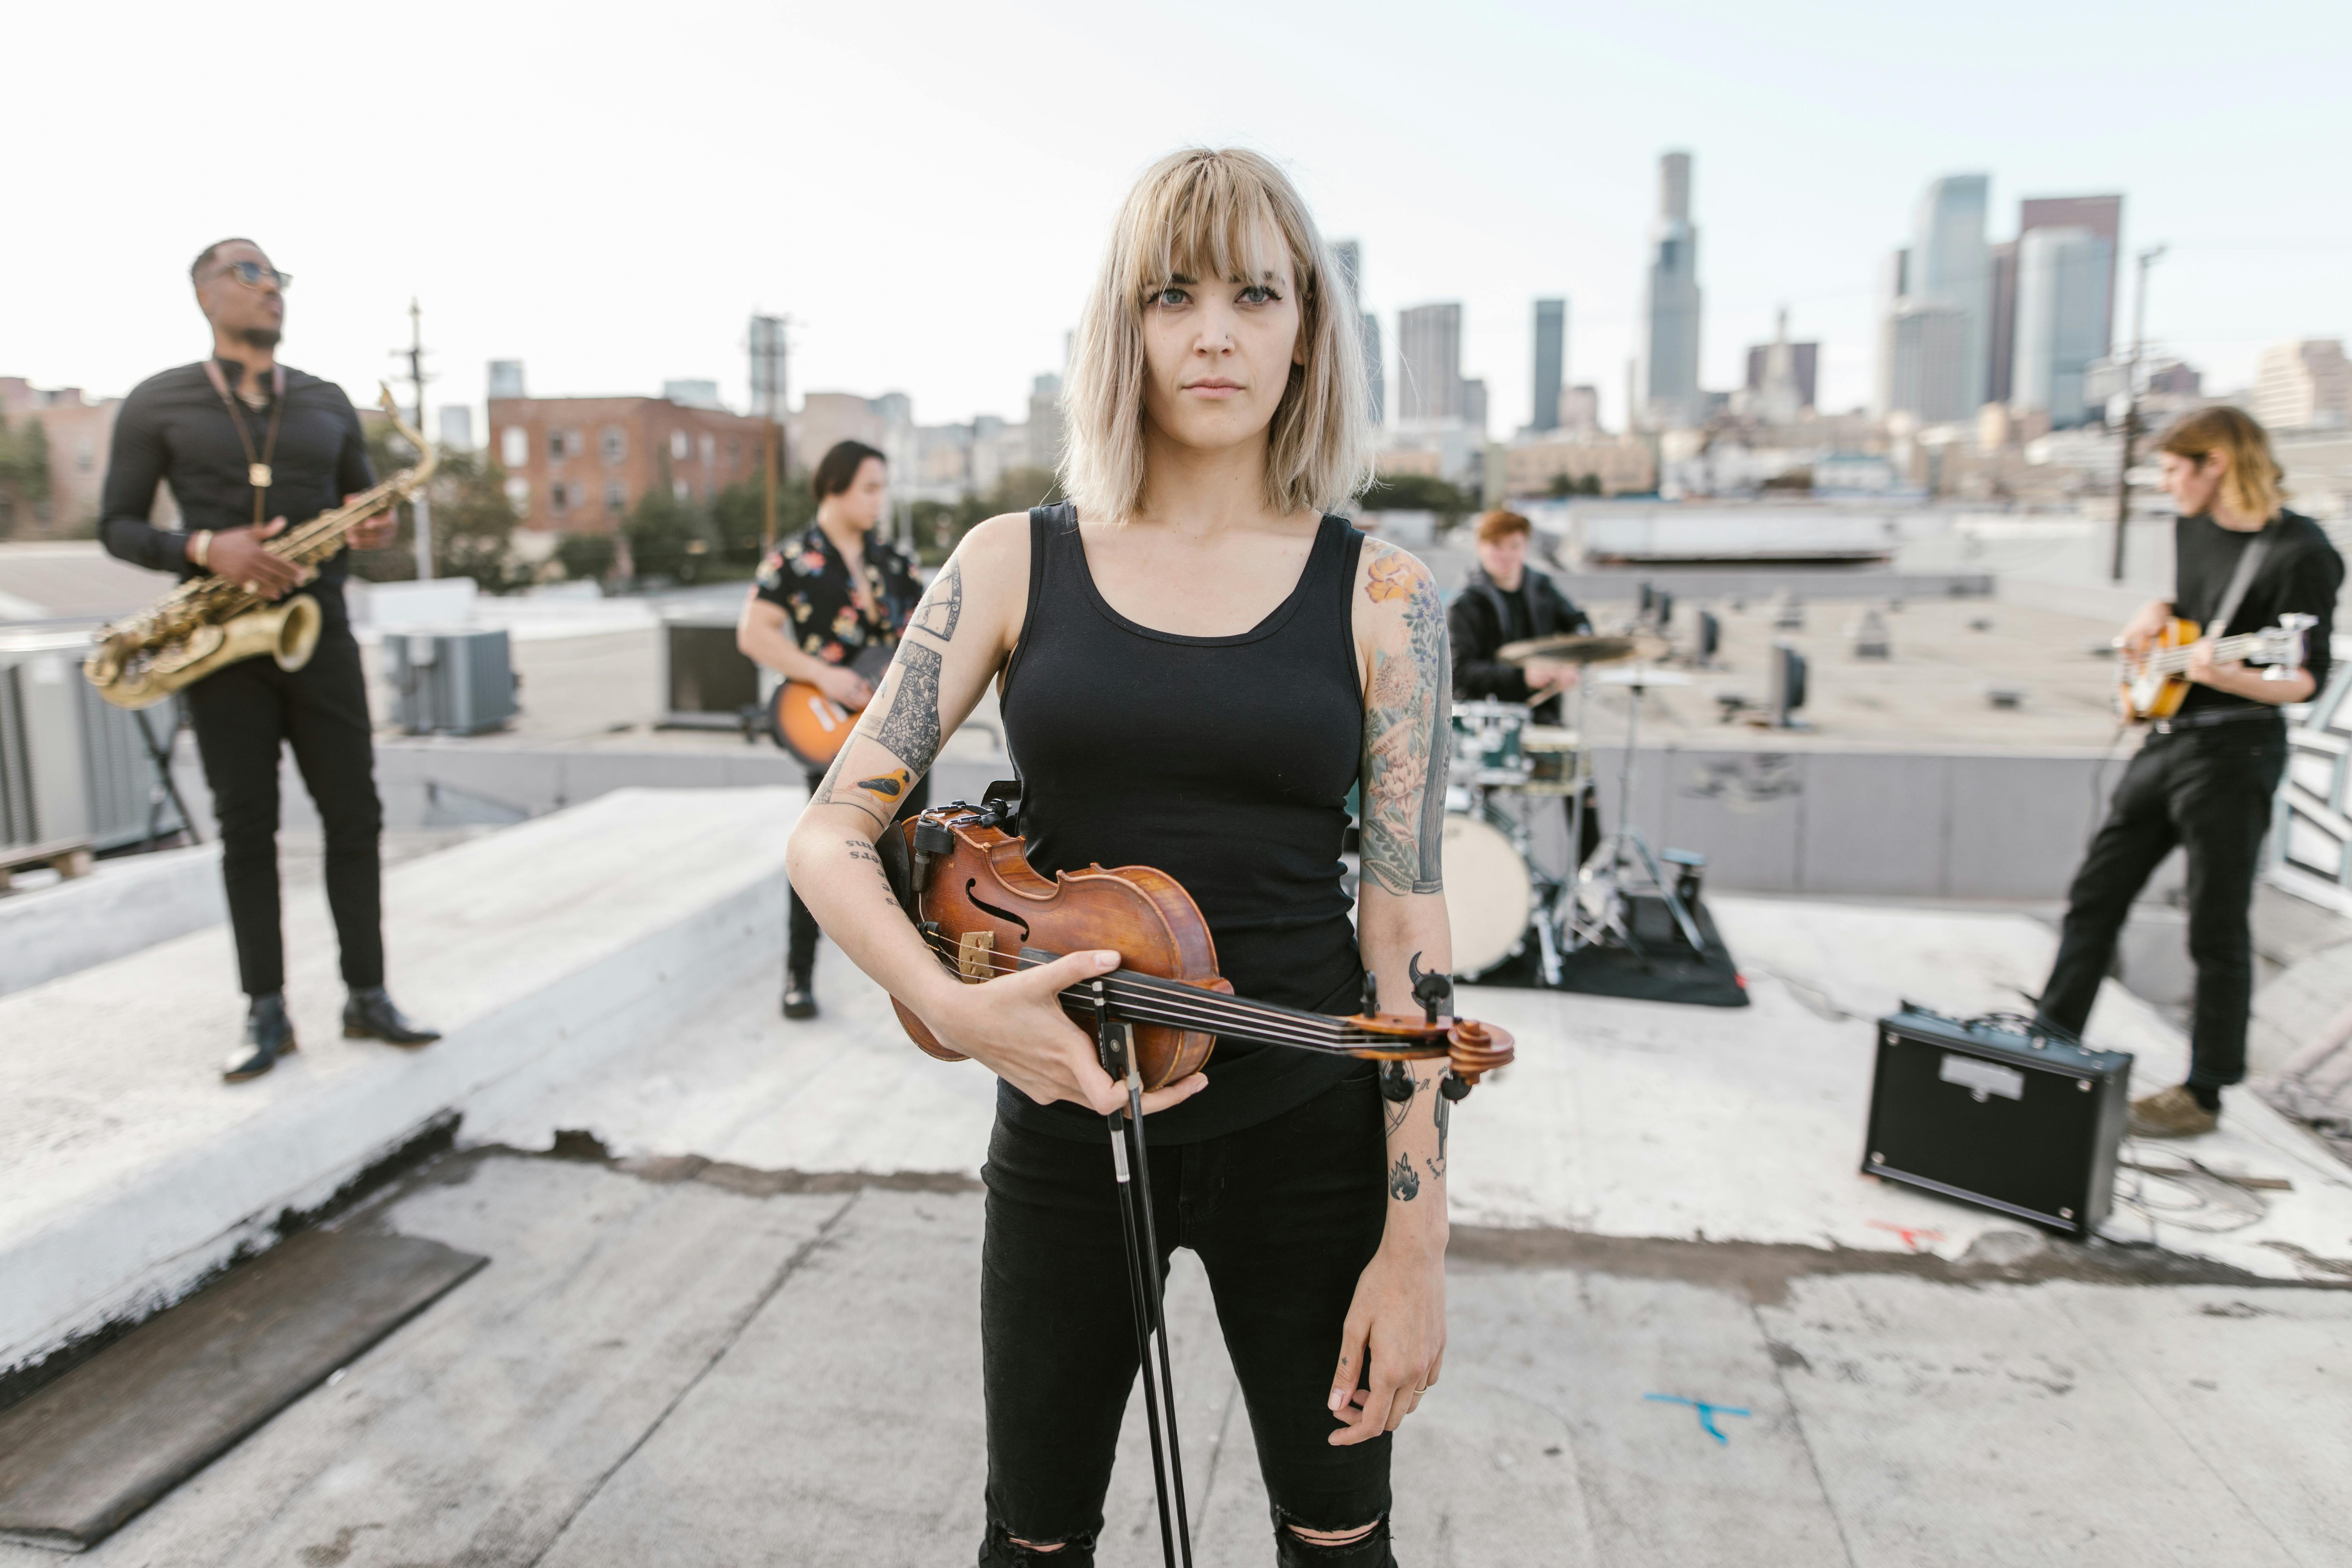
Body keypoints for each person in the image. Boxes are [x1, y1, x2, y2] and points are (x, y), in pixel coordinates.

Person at [785, 148, 1452, 1566]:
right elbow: (830, 832)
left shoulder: (1386, 594)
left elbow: (1403, 925)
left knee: (1341, 1540)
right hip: (1066, 1122)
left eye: (1255, 293)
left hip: (1312, 1138)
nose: (1214, 330)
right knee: (1033, 1543)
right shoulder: (1011, 562)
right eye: (1173, 293)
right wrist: (963, 1013)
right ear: (1123, 328)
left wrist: (1417, 1247)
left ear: (1305, 328)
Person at [99, 238, 439, 1083]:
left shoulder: (325, 401)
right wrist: (208, 546)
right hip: (219, 641)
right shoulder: (157, 402)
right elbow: (117, 524)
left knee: (353, 815)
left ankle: (368, 994)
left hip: (317, 630)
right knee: (247, 828)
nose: (272, 288)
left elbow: (367, 509)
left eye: (277, 276)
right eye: (250, 274)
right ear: (206, 295)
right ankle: (266, 1010)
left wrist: (375, 526)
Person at [2035, 407, 2342, 1138]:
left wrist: (2232, 678)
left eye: (2175, 469)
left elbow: (2304, 678)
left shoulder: (2302, 551)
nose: (2166, 484)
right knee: (2094, 895)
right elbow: (2196, 608)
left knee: (2214, 924)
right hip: (2165, 739)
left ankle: (2203, 1092)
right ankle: (2049, 1039)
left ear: (2217, 464)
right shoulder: (2191, 527)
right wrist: (2157, 611)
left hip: (2235, 752)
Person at [736, 439, 928, 1019]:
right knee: (822, 856)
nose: (880, 500)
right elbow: (754, 633)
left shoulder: (894, 562)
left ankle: (924, 988)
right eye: (870, 488)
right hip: (835, 734)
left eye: (883, 488)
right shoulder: (792, 559)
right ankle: (799, 976)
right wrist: (824, 674)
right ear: (833, 486)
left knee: (919, 855)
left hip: (902, 731)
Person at [1448, 507, 1602, 866]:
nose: (1505, 555)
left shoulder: (1541, 587)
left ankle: (1585, 879)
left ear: (1525, 546)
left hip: (1540, 718)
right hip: (1488, 729)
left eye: (1513, 546)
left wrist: (1571, 662)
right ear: (1481, 547)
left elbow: (1579, 623)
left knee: (1582, 776)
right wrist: (1522, 678)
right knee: (1470, 809)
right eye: (1496, 546)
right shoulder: (1466, 603)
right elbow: (1460, 672)